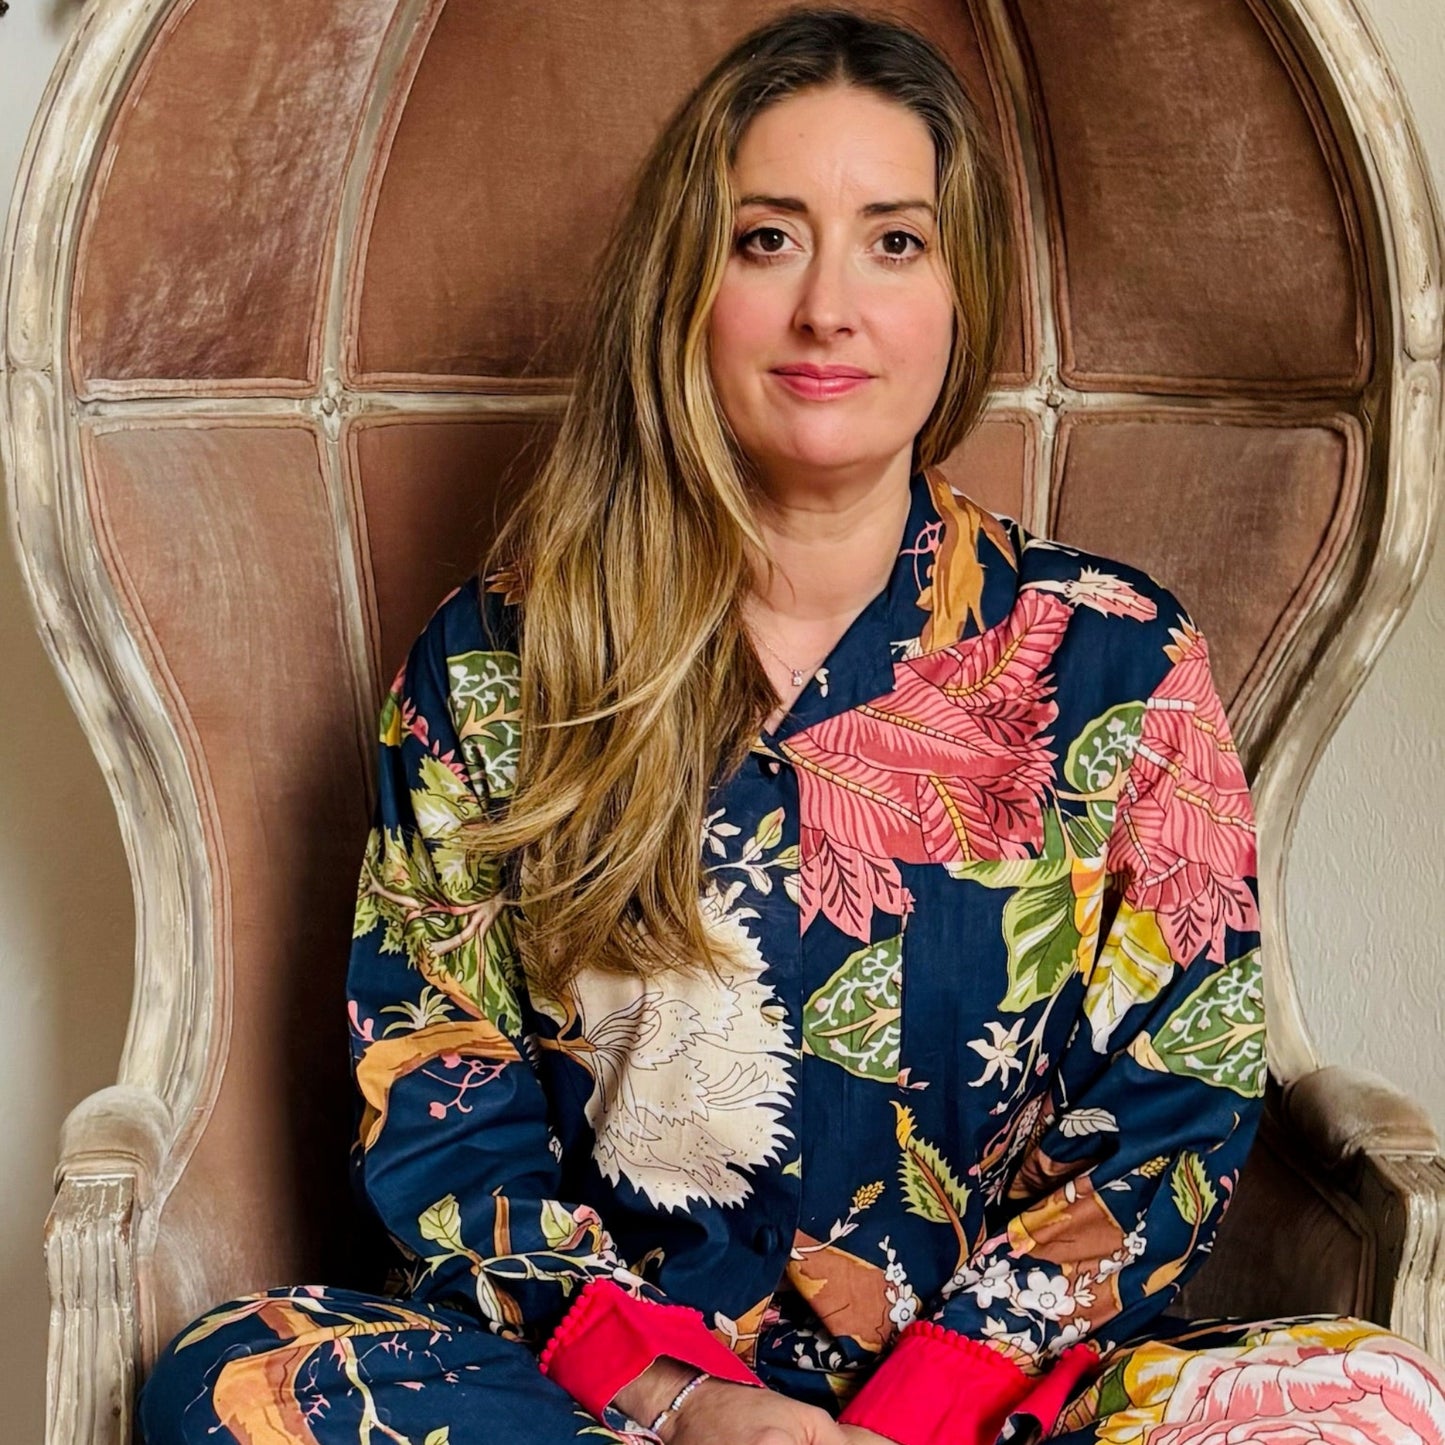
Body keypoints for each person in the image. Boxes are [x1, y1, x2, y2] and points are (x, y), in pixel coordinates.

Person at [139, 9, 1445, 1445]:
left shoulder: (1114, 658)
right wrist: (701, 1408)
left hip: (1001, 1405)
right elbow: (438, 1089)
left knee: (1361, 1399)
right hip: (609, 1403)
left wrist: (923, 1406)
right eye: (767, 238)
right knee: (240, 1384)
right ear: (685, 285)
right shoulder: (497, 659)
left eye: (894, 241)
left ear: (959, 297)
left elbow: (1166, 1102)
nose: (829, 306)